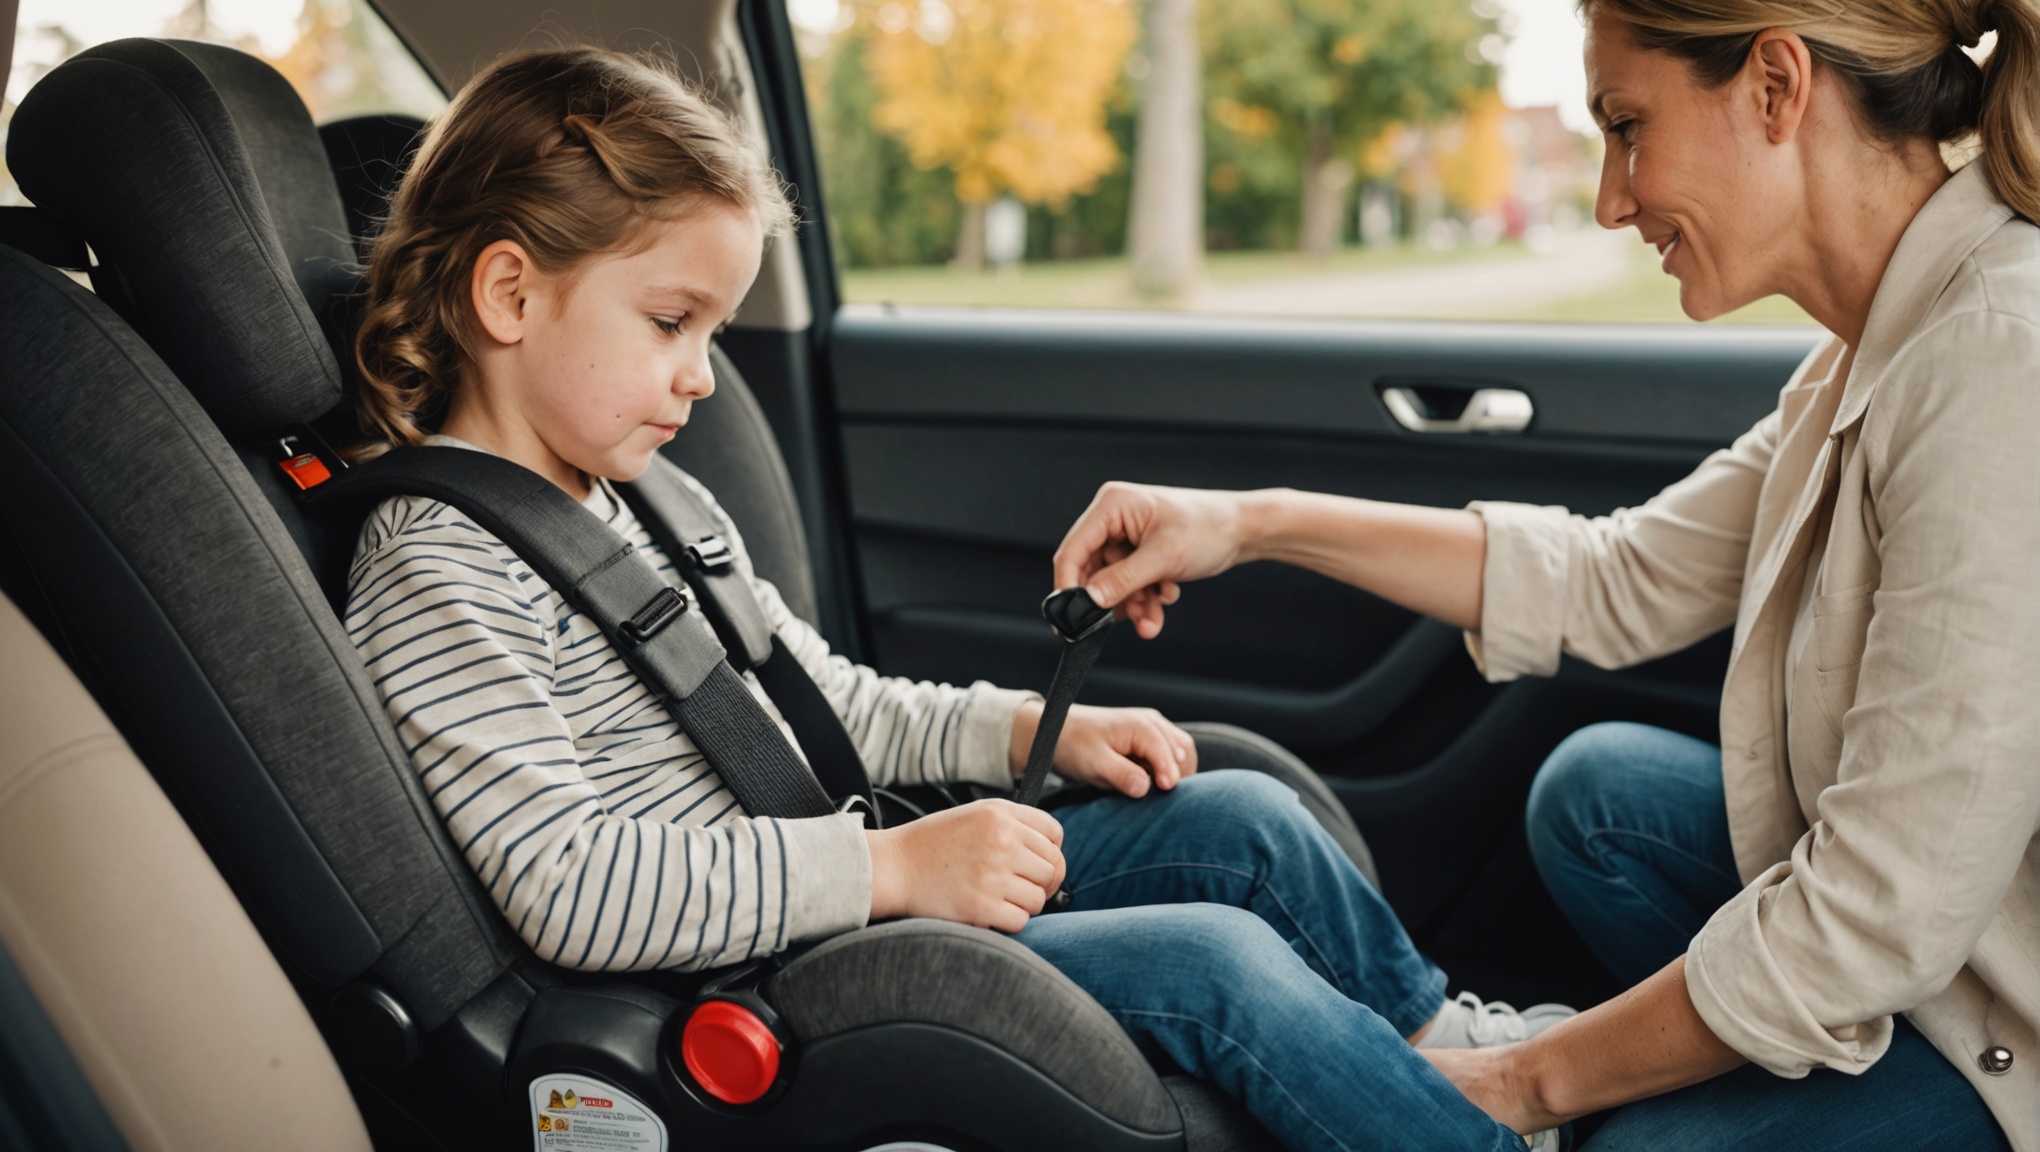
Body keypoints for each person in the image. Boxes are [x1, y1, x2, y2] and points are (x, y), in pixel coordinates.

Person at [341, 46, 1571, 1152]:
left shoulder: (645, 498)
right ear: (509, 296)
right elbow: (569, 884)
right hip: (751, 979)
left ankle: (1459, 1055)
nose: (703, 378)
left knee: (1240, 815)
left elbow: (824, 701)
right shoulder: (440, 566)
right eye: (671, 323)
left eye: (710, 331)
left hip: (840, 895)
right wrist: (889, 871)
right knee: (1216, 965)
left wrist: (1028, 732)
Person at [1053, 2, 2040, 1149]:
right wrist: (1246, 523)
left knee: (1617, 1140)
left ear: (1777, 87)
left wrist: (1527, 1085)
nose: (1614, 198)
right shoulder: (1866, 356)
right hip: (1927, 955)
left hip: (2001, 1026)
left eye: (1628, 126)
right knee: (1599, 794)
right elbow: (1612, 577)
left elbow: (1875, 920)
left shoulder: (1995, 361)